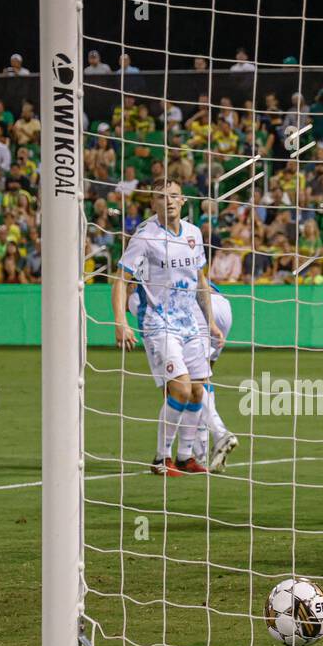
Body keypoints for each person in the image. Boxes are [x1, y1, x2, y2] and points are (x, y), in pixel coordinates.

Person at [112, 178, 224, 475]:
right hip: (159, 324)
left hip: (189, 323)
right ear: (153, 204)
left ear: (183, 200)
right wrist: (121, 322)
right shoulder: (145, 236)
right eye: (162, 197)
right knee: (181, 389)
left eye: (174, 196)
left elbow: (201, 281)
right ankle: (162, 458)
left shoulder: (194, 234)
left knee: (199, 391)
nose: (169, 201)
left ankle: (186, 457)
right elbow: (120, 279)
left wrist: (210, 321)